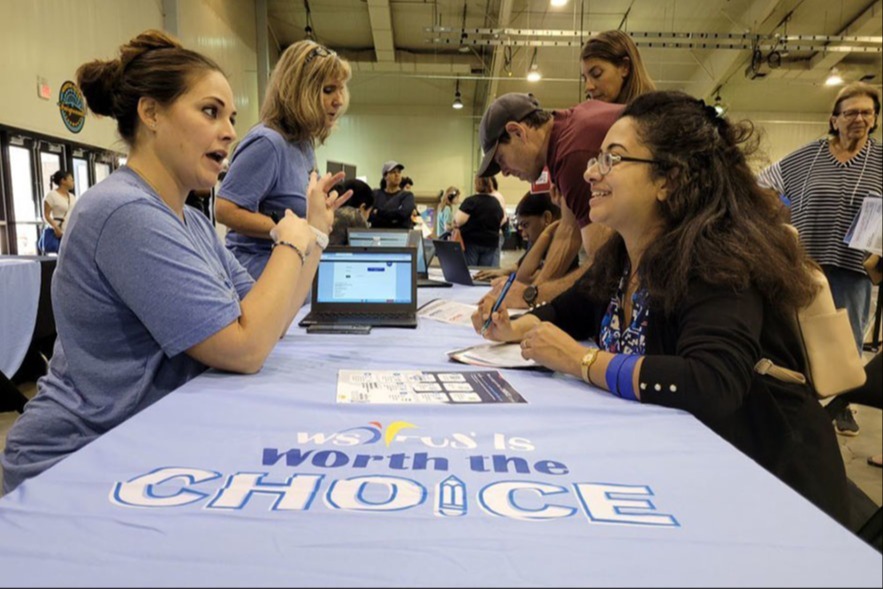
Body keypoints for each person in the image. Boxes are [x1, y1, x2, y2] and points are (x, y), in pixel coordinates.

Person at [473, 91, 850, 526]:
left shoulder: (719, 261)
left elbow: (711, 382)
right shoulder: (624, 255)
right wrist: (517, 326)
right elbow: (573, 310)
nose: (591, 171)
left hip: (772, 494)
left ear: (669, 178)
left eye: (613, 158)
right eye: (597, 157)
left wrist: (582, 361)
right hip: (686, 476)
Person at [0, 30, 350, 493]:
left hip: (142, 444)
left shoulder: (190, 220)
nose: (228, 131)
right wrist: (287, 239)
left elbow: (272, 323)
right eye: (210, 112)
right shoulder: (124, 211)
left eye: (230, 116)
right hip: (80, 460)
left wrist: (316, 235)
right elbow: (245, 349)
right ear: (151, 113)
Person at [758, 82, 882, 436]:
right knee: (797, 331)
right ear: (834, 119)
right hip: (804, 262)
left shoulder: (880, 161)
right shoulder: (808, 156)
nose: (858, 118)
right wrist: (779, 217)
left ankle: (842, 405)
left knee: (847, 336)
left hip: (854, 265)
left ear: (874, 119)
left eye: (866, 112)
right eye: (850, 112)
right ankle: (801, 398)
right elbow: (763, 184)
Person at [215, 40, 351, 279]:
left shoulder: (303, 143)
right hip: (258, 278)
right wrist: (288, 229)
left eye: (341, 89)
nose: (339, 100)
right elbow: (225, 210)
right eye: (328, 90)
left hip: (290, 273)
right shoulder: (268, 143)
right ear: (300, 92)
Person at [476, 93, 622, 308]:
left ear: (517, 131)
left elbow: (603, 266)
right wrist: (531, 293)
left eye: (501, 159)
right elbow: (568, 232)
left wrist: (532, 295)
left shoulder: (572, 154)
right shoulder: (562, 139)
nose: (504, 173)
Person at [474, 191, 564, 282]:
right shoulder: (536, 240)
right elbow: (520, 265)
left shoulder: (560, 246)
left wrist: (508, 280)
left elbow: (526, 277)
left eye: (526, 225)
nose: (524, 234)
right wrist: (504, 271)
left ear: (546, 218)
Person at [580, 30, 656, 103]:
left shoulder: (654, 114)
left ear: (625, 67)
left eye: (597, 74)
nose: (588, 87)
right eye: (585, 79)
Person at [454, 176, 504, 267]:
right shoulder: (495, 202)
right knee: (484, 272)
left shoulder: (471, 201)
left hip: (471, 242)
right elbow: (502, 219)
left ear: (476, 185)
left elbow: (458, 220)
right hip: (490, 242)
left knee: (470, 271)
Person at [370, 161, 416, 229]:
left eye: (399, 172)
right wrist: (394, 218)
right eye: (393, 172)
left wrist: (379, 212)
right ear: (385, 176)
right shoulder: (375, 194)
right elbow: (370, 216)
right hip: (378, 235)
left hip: (400, 236)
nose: (397, 175)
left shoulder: (407, 196)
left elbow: (403, 214)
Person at [39, 170, 76, 254]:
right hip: (57, 231)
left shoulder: (72, 197)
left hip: (69, 232)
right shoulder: (51, 195)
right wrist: (56, 228)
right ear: (63, 180)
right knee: (60, 256)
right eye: (71, 179)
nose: (73, 182)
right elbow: (46, 215)